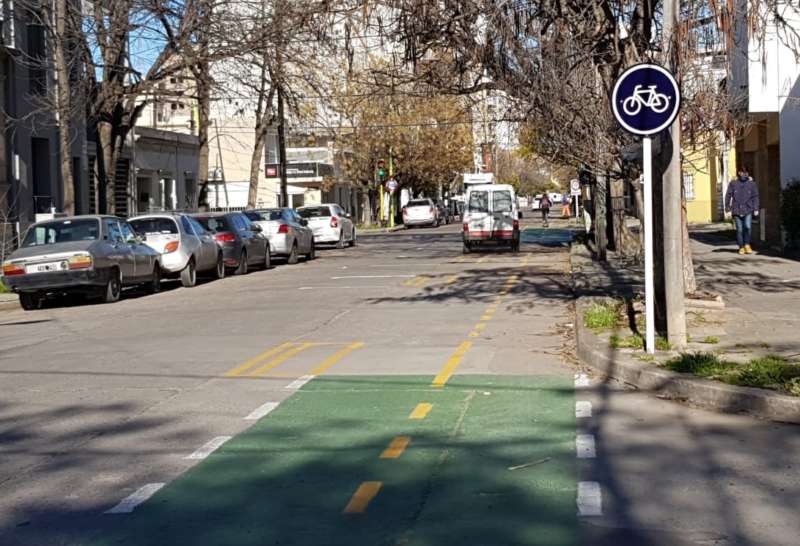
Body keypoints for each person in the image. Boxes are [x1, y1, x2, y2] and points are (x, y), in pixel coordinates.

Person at [725, 166, 760, 255]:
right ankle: (741, 247)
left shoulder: (752, 184)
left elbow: (755, 196)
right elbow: (728, 195)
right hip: (736, 209)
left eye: (745, 172)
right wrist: (727, 207)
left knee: (747, 227)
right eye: (741, 172)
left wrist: (756, 208)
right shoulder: (733, 183)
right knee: (739, 230)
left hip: (748, 208)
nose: (743, 174)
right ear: (739, 173)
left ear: (748, 173)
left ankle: (747, 244)